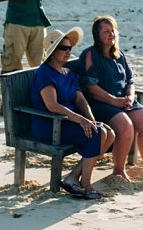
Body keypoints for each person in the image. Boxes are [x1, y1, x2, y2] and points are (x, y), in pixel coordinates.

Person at [31, 26, 115, 200]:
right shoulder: (45, 73)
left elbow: (80, 99)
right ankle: (86, 184)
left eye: (69, 48)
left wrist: (90, 119)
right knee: (96, 134)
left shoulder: (67, 73)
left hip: (68, 121)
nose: (68, 52)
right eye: (63, 48)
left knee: (109, 133)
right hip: (50, 125)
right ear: (53, 52)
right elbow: (52, 105)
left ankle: (72, 178)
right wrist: (81, 121)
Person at [77, 15, 143, 181]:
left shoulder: (119, 55)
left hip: (123, 101)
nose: (111, 34)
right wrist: (113, 100)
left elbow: (130, 80)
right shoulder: (90, 55)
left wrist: (130, 96)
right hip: (100, 104)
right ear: (97, 35)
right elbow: (90, 87)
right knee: (125, 125)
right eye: (106, 31)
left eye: (113, 31)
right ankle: (119, 171)